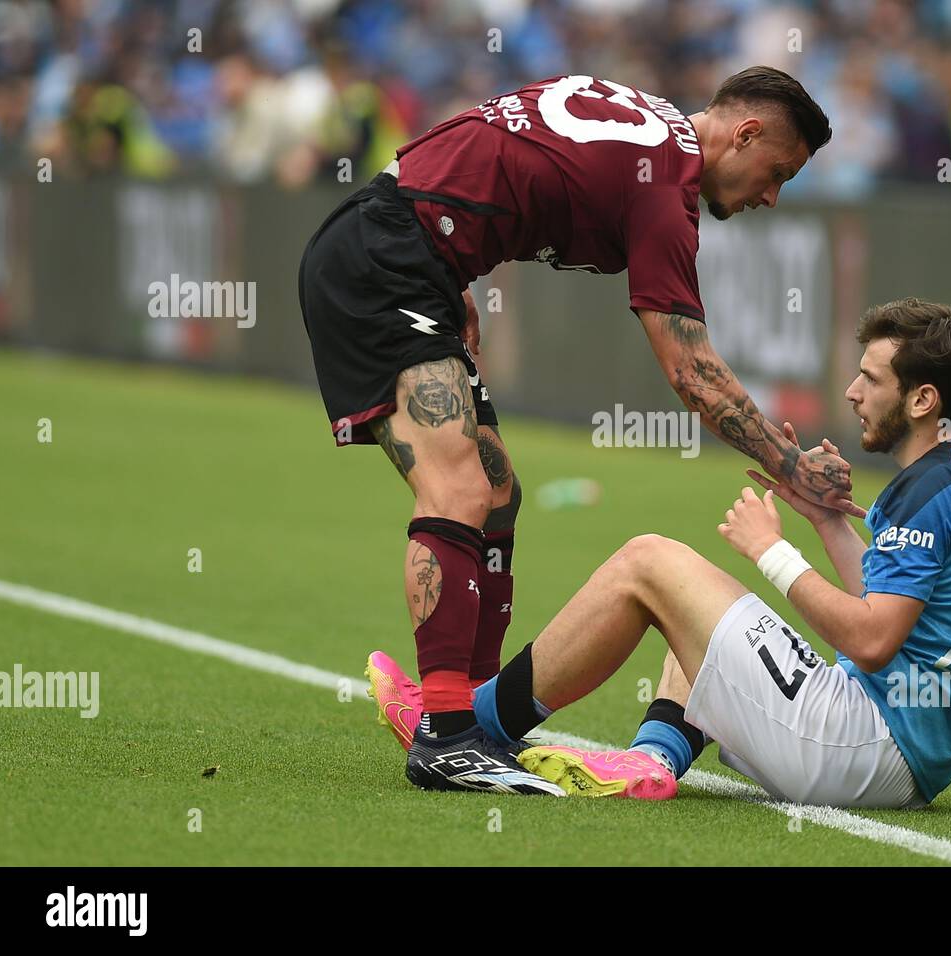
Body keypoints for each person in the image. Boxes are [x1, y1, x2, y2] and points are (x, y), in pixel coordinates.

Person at [299, 66, 860, 795]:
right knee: (460, 487)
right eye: (776, 171)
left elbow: (503, 138)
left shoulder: (649, 124)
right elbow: (691, 370)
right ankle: (445, 737)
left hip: (407, 251)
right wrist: (792, 467)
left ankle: (466, 718)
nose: (770, 196)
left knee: (497, 493)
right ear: (744, 133)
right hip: (385, 262)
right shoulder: (666, 182)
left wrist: (453, 273)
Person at [373, 297, 951, 808]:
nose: (854, 394)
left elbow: (872, 639)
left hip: (864, 746)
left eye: (870, 379)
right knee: (699, 612)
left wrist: (773, 550)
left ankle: (463, 722)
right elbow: (896, 610)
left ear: (923, 399)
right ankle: (653, 764)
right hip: (908, 756)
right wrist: (826, 521)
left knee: (649, 561)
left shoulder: (930, 487)